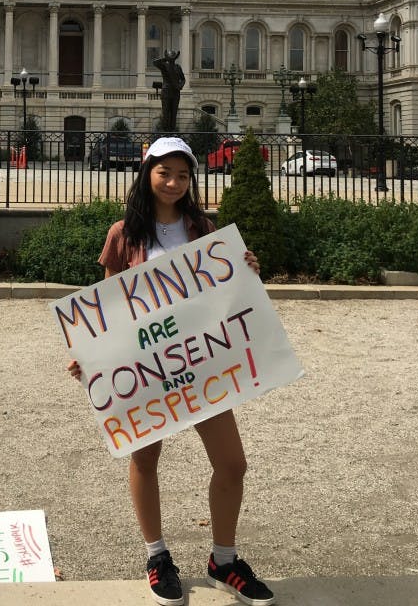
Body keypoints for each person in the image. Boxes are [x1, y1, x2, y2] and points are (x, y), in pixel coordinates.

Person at [67, 136, 275, 606]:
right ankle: (156, 556)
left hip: (199, 363)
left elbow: (226, 294)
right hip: (148, 365)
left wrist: (248, 272)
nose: (174, 183)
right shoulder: (123, 234)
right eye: (165, 173)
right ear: (147, 174)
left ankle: (224, 560)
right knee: (145, 459)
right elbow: (109, 305)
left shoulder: (203, 227)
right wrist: (91, 352)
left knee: (232, 464)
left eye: (183, 175)